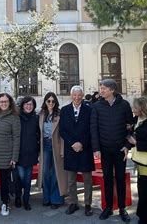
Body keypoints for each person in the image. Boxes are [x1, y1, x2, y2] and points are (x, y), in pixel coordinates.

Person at [91, 79, 133, 222]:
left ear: (112, 90)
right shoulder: (96, 106)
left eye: (104, 88)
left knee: (120, 178)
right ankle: (108, 207)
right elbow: (94, 129)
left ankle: (122, 208)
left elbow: (131, 128)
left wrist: (127, 146)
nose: (101, 91)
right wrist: (96, 148)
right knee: (107, 179)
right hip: (105, 150)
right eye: (101, 88)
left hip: (120, 150)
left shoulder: (124, 105)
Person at [59, 86, 95, 217]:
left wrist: (82, 143)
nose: (77, 97)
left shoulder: (89, 110)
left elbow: (91, 129)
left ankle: (87, 204)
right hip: (71, 149)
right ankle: (73, 203)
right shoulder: (64, 110)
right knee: (71, 180)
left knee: (87, 179)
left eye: (79, 95)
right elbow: (62, 130)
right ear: (71, 95)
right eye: (74, 95)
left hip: (85, 149)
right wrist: (72, 143)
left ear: (83, 95)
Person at [38, 92, 68, 209]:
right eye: (48, 101)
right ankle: (46, 198)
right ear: (45, 102)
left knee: (56, 174)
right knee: (45, 172)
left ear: (56, 103)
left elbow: (63, 134)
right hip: (45, 146)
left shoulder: (60, 115)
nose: (51, 103)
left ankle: (56, 199)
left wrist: (62, 150)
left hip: (56, 146)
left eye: (53, 101)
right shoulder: (41, 115)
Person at [16, 96, 40, 210]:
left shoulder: (36, 118)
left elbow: (39, 135)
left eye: (31, 104)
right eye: (26, 104)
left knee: (28, 178)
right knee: (21, 177)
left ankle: (26, 200)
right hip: (19, 153)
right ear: (22, 105)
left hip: (31, 152)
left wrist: (39, 151)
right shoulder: (17, 118)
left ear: (33, 106)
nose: (28, 106)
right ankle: (17, 196)